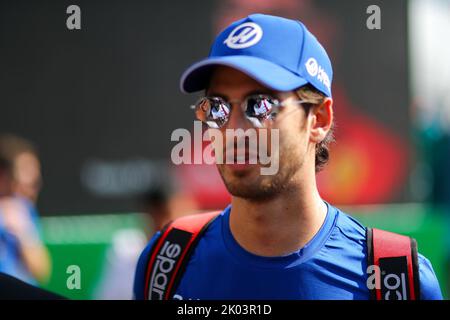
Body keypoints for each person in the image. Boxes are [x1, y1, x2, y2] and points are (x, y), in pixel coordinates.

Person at [134, 14, 443, 299]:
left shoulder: (395, 278)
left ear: (319, 119)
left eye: (261, 105)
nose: (235, 129)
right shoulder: (167, 261)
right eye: (218, 107)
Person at [0, 134, 51, 285]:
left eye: (35, 182)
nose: (31, 190)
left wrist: (24, 234)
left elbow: (41, 271)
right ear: (3, 176)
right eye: (25, 179)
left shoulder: (25, 211)